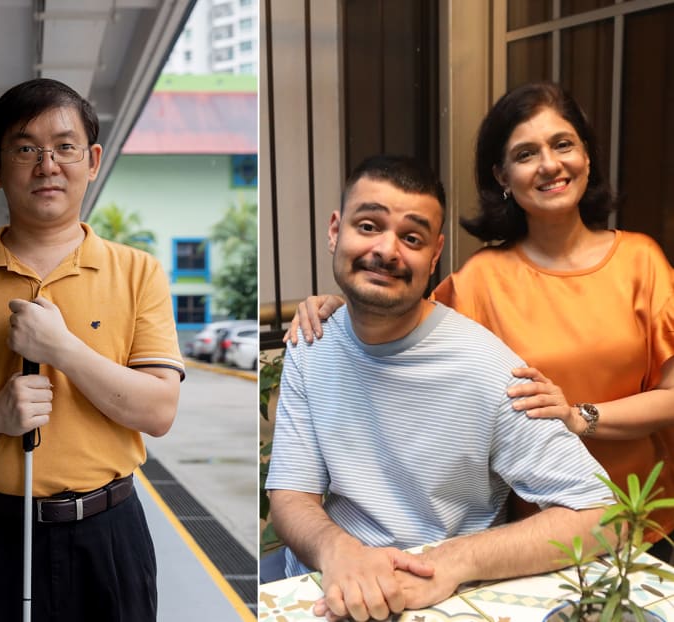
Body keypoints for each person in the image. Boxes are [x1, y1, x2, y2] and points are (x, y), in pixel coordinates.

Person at [286, 82, 674, 563]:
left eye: (563, 144)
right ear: (503, 177)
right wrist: (332, 305)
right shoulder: (480, 279)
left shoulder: (642, 260)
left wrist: (580, 417)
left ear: (587, 157)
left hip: (646, 515)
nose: (549, 164)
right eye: (526, 153)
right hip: (532, 529)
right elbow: (402, 320)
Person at [266, 153, 612, 622]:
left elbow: (602, 517)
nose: (387, 250)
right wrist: (337, 551)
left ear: (434, 256)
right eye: (368, 225)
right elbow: (291, 494)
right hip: (321, 585)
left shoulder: (488, 369)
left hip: (440, 599)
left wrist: (449, 562)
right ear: (335, 230)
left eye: (411, 237)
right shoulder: (312, 342)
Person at [0, 78, 185, 621]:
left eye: (65, 146)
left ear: (93, 160)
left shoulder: (137, 272)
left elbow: (158, 411)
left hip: (108, 537)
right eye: (26, 148)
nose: (47, 164)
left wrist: (63, 349)